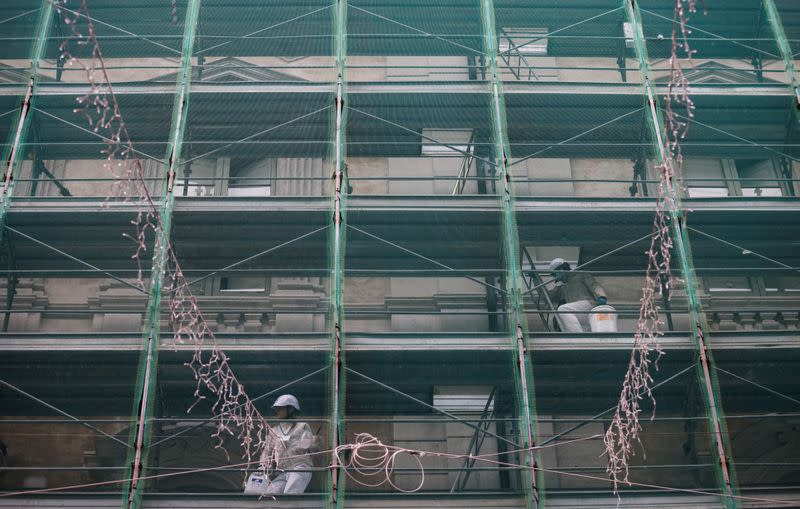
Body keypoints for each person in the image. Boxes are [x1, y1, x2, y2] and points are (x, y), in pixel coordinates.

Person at [256, 394, 315, 495]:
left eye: (280, 408)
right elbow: (267, 451)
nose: (277, 411)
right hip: (282, 471)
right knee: (270, 495)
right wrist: (262, 465)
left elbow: (308, 446)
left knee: (290, 493)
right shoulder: (273, 431)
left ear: (290, 409)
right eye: (276, 408)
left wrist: (312, 441)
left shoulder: (303, 426)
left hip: (300, 467)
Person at [547, 258, 608, 333]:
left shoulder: (580, 275)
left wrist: (601, 296)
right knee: (584, 332)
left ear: (561, 269)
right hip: (577, 314)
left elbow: (594, 285)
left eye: (555, 274)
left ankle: (577, 337)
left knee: (563, 310)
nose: (556, 277)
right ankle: (579, 340)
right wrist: (536, 279)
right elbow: (547, 297)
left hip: (588, 306)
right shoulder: (562, 288)